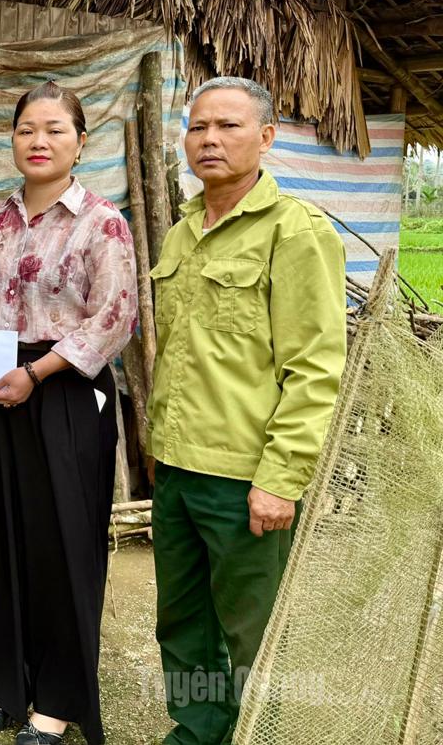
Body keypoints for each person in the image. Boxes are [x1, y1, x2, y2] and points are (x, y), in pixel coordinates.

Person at [148, 77, 346, 745]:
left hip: (245, 476)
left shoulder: (295, 231)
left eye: (228, 126)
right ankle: (199, 727)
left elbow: (314, 367)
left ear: (265, 138)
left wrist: (280, 477)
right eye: (198, 127)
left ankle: (260, 732)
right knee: (183, 618)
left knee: (251, 627)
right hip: (177, 465)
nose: (209, 139)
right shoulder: (181, 233)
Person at [0, 81, 137, 745]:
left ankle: (57, 701)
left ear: (80, 141)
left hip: (64, 391)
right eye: (27, 128)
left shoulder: (102, 220)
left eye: (54, 129)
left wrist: (36, 372)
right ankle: (7, 686)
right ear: (12, 137)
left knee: (63, 542)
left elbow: (115, 318)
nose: (39, 141)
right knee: (2, 537)